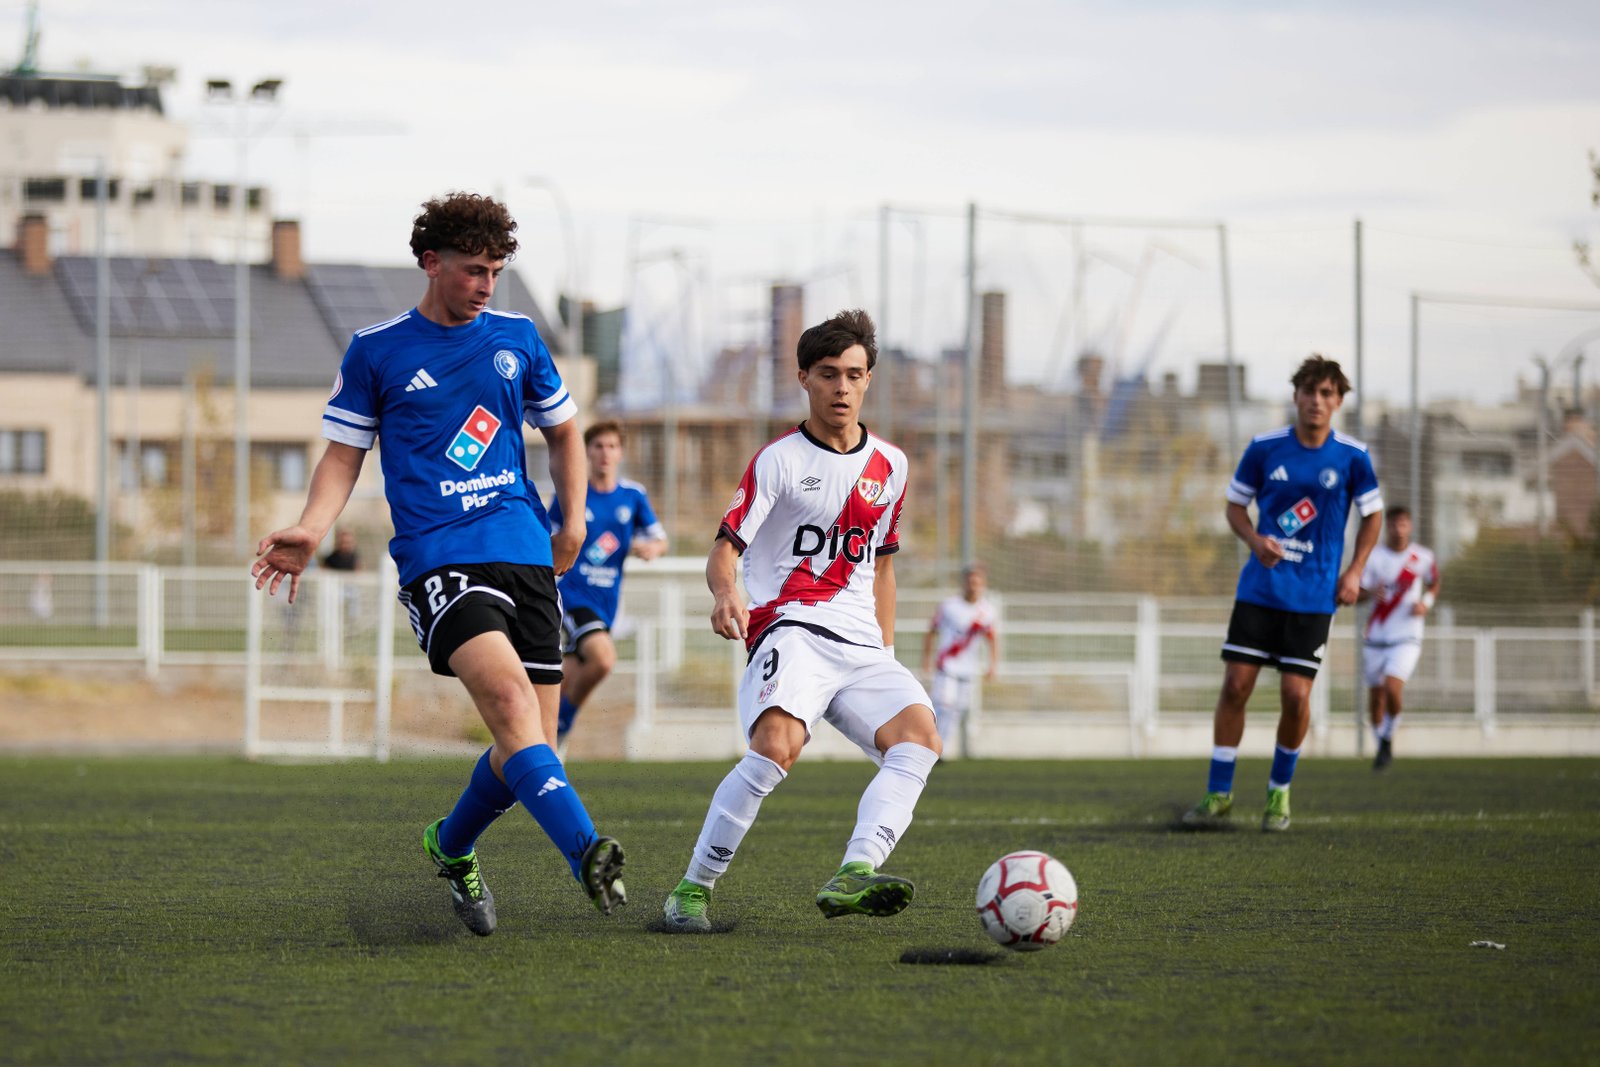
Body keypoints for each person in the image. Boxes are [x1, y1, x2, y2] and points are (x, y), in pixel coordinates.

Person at [250, 191, 626, 936]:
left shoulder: (517, 338)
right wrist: (310, 527)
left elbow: (565, 431)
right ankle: (589, 851)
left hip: (525, 555)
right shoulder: (378, 349)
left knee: (530, 749)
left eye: (496, 271)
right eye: (473, 270)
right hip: (439, 560)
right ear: (431, 262)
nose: (487, 285)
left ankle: (451, 845)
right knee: (514, 710)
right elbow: (343, 453)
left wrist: (572, 520)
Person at [660, 308, 942, 933]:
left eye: (854, 374)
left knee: (920, 741)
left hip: (863, 643)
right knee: (774, 751)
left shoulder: (891, 467)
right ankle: (692, 891)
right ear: (804, 380)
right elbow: (724, 550)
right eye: (828, 374)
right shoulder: (778, 462)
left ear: (869, 380)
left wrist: (887, 651)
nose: (842, 387)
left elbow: (884, 568)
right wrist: (725, 594)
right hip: (791, 627)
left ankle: (855, 873)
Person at [1182, 354, 1383, 833]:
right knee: (1236, 687)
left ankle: (1278, 796)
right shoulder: (1265, 447)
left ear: (1338, 402)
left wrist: (1354, 571)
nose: (1316, 401)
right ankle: (1218, 794)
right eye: (1309, 392)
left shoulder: (1353, 456)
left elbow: (1373, 515)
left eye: (1327, 394)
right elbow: (1234, 506)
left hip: (1313, 598)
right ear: (1295, 397)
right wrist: (1256, 541)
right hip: (1260, 591)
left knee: (1295, 697)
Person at [548, 420, 669, 754]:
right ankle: (563, 723)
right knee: (602, 659)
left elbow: (660, 539)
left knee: (567, 682)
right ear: (586, 451)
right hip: (570, 594)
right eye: (598, 446)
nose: (605, 453)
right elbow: (548, 539)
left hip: (607, 601)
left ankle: (544, 744)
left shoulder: (632, 496)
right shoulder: (572, 493)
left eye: (612, 446)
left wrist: (650, 549)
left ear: (621, 452)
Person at [1358, 505, 1439, 771]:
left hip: (1407, 636)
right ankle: (1381, 743)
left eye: (1403, 523)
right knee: (1376, 696)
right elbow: (1355, 593)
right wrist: (1370, 593)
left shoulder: (1422, 557)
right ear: (1387, 527)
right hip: (1376, 636)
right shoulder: (1373, 557)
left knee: (1393, 687)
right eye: (1393, 524)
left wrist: (1425, 602)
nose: (1398, 529)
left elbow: (1434, 581)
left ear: (1410, 526)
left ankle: (1387, 740)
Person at [921, 562, 998, 759]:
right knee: (943, 705)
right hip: (947, 666)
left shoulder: (987, 611)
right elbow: (932, 631)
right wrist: (927, 659)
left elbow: (991, 638)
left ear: (983, 584)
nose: (974, 585)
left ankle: (939, 750)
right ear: (964, 583)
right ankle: (926, 743)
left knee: (956, 711)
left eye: (978, 581)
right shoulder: (950, 606)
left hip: (968, 669)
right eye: (971, 581)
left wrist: (992, 665)